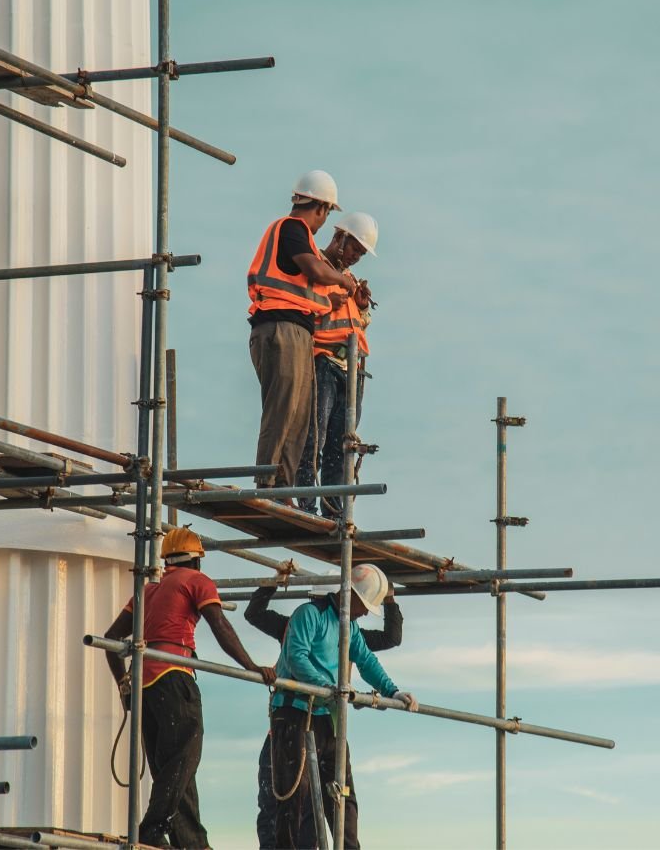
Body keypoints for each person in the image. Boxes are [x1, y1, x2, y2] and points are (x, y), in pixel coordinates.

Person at [102, 527, 277, 849]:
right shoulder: (196, 581)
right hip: (173, 674)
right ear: (197, 560)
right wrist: (251, 666)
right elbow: (220, 625)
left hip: (144, 683)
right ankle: (152, 830)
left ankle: (192, 842)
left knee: (172, 768)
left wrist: (124, 685)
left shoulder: (148, 591)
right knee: (184, 758)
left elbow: (111, 642)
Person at [268, 564, 418, 849]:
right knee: (293, 794)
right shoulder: (308, 615)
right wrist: (330, 688)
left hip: (327, 716)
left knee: (342, 796)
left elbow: (366, 661)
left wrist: (393, 691)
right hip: (294, 713)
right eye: (365, 606)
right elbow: (297, 657)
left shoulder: (350, 627)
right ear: (352, 595)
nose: (364, 613)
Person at [248, 171, 360, 493]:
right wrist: (341, 280)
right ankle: (267, 483)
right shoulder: (292, 228)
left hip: (294, 331)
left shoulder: (300, 239)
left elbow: (304, 286)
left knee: (298, 416)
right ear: (323, 208)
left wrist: (334, 297)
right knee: (282, 409)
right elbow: (312, 269)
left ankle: (283, 486)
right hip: (279, 329)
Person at [294, 212, 379, 517]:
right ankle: (305, 504)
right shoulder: (315, 265)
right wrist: (333, 303)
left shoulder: (349, 280)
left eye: (361, 252)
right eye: (354, 248)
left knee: (339, 447)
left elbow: (357, 324)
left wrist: (363, 306)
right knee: (313, 437)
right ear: (340, 237)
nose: (356, 257)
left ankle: (333, 510)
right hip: (323, 362)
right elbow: (304, 310)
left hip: (351, 370)